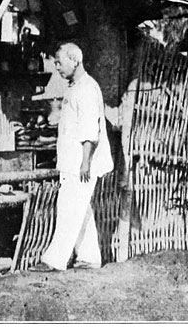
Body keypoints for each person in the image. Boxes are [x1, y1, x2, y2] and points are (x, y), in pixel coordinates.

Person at [30, 43, 113, 272]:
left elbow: (90, 129)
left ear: (75, 60)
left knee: (68, 207)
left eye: (59, 62)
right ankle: (90, 257)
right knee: (80, 207)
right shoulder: (75, 87)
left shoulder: (87, 88)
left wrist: (85, 161)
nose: (57, 67)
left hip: (81, 162)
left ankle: (54, 259)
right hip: (72, 160)